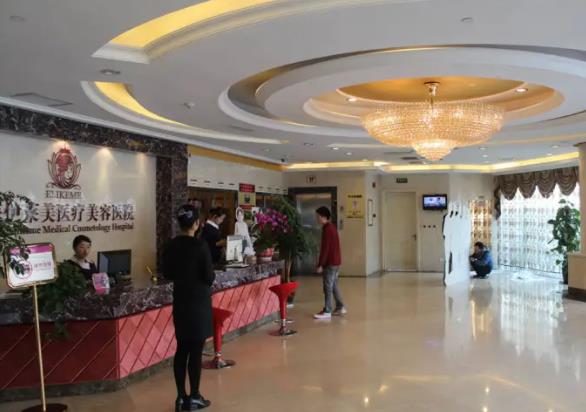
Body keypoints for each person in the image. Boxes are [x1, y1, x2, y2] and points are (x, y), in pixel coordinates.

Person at [163, 205, 215, 411]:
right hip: (198, 303)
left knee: (181, 349)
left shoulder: (171, 245)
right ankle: (194, 396)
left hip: (181, 301)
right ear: (196, 224)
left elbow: (167, 273)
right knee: (196, 351)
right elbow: (209, 277)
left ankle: (180, 397)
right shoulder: (200, 245)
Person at [313, 206, 346, 320]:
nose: (316, 219)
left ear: (323, 217)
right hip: (336, 262)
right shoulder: (332, 227)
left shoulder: (327, 230)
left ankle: (327, 310)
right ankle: (340, 307)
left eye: (317, 216)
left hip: (330, 263)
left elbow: (325, 249)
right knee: (334, 285)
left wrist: (320, 264)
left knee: (327, 287)